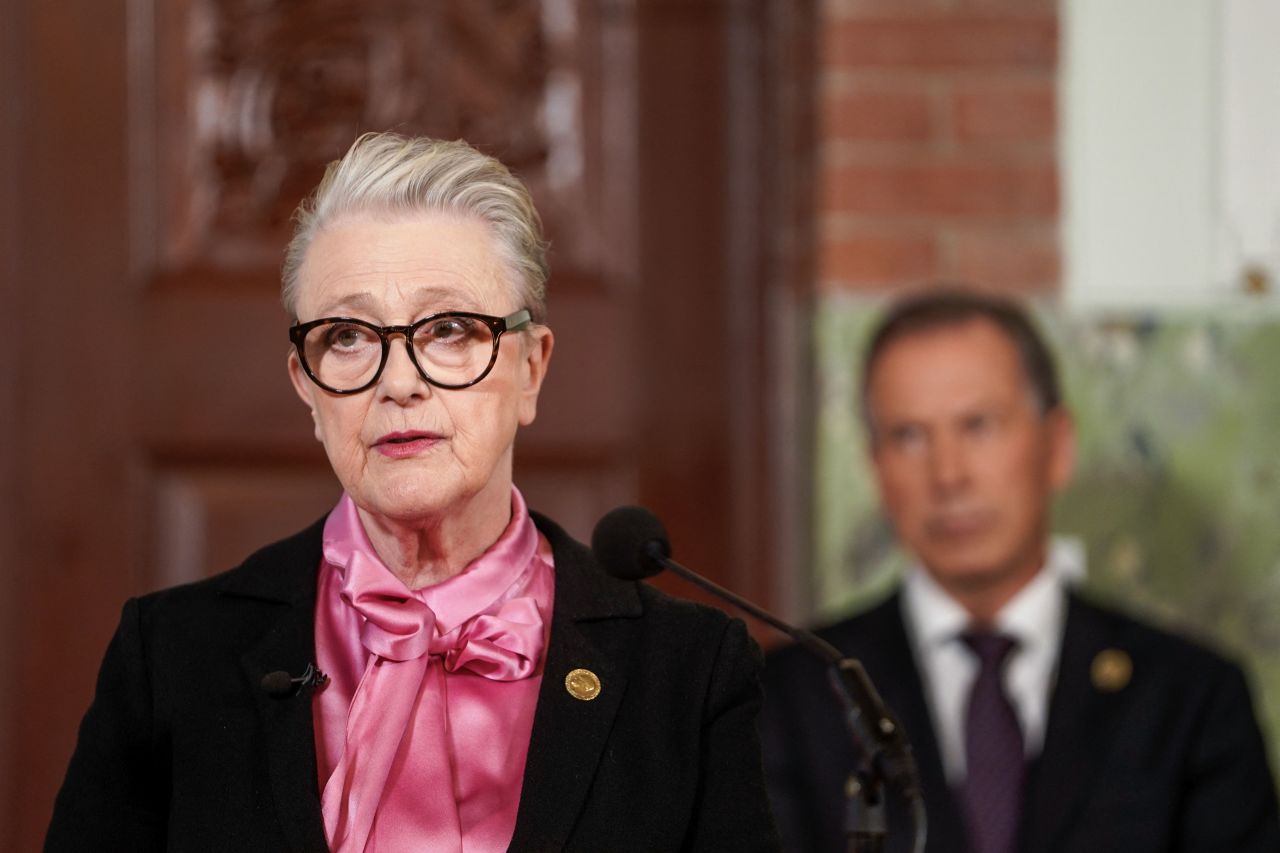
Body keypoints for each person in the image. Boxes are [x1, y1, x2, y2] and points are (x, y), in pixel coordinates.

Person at [46, 132, 780, 852]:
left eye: (450, 329)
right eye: (347, 336)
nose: (398, 382)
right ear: (307, 385)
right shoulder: (173, 656)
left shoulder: (690, 670)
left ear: (530, 368)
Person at [761, 288, 1280, 853]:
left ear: (1057, 445)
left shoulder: (1188, 697)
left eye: (978, 426)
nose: (948, 475)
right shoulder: (794, 695)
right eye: (909, 436)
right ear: (876, 467)